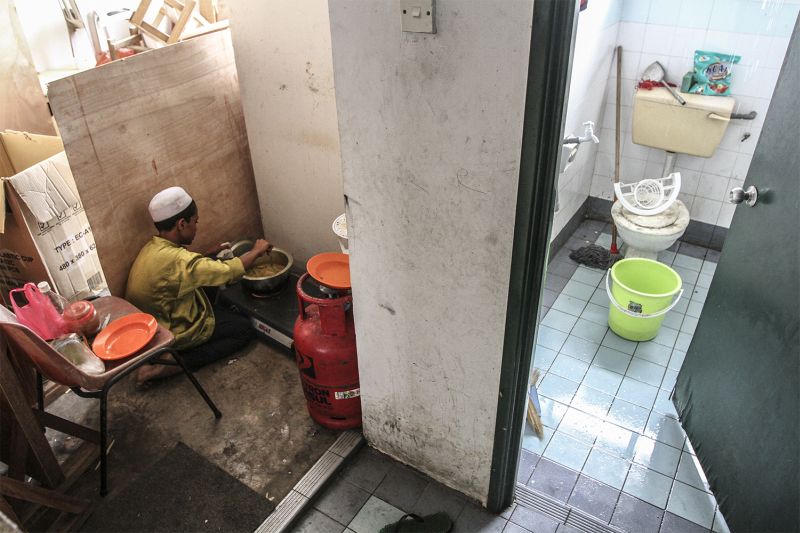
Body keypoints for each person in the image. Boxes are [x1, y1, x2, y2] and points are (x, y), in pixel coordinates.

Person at [126, 186, 271, 385]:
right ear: (181, 223)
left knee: (210, 282)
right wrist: (257, 250)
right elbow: (227, 272)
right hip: (170, 329)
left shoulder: (154, 247)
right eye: (195, 222)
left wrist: (207, 255)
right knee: (243, 329)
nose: (196, 227)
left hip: (151, 322)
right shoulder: (180, 260)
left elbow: (183, 270)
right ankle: (161, 367)